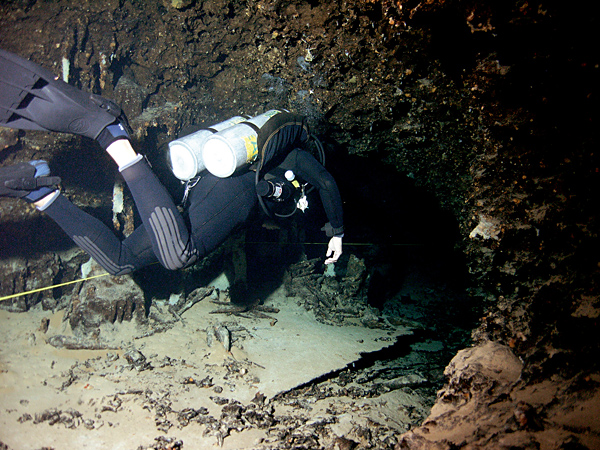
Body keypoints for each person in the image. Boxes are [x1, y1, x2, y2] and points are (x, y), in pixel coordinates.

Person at [0, 49, 344, 280]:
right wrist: (338, 234)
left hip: (203, 186)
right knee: (178, 255)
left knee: (122, 262)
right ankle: (113, 138)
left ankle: (42, 192)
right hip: (234, 197)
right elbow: (326, 182)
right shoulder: (297, 155)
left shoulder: (269, 146)